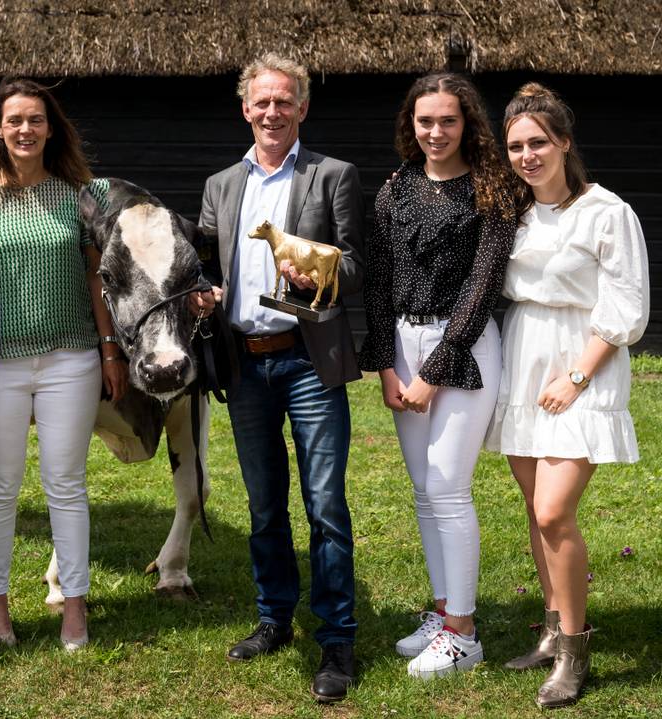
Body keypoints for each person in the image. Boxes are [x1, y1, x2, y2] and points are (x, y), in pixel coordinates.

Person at [191, 53, 364, 703]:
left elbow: (358, 265)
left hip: (307, 359)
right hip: (245, 363)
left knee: (325, 505)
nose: (272, 112)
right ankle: (275, 617)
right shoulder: (220, 185)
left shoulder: (332, 175)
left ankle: (338, 637)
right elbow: (207, 264)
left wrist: (316, 268)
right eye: (261, 102)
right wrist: (203, 294)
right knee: (265, 505)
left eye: (283, 101)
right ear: (246, 108)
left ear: (302, 109)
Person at [488, 82, 649, 708]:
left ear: (564, 143)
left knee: (556, 512)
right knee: (535, 512)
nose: (527, 155)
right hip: (524, 355)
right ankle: (552, 630)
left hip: (581, 361)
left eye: (537, 143)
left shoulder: (607, 211)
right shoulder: (518, 213)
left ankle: (577, 652)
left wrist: (578, 375)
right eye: (516, 146)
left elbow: (627, 306)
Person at [0, 78, 126, 652]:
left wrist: (108, 350)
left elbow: (97, 279)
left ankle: (74, 606)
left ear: (50, 128)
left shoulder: (82, 193)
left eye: (35, 120)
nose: (24, 130)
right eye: (13, 121)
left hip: (69, 359)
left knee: (66, 485)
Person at [358, 72, 516, 679]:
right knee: (424, 490)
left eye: (448, 120)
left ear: (467, 123)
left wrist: (434, 368)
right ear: (411, 124)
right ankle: (443, 608)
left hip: (466, 344)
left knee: (449, 486)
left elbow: (482, 288)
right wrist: (384, 366)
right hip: (402, 340)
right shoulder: (395, 188)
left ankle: (465, 633)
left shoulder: (491, 189)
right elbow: (378, 280)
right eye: (425, 121)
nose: (436, 132)